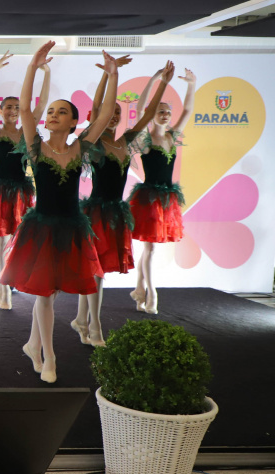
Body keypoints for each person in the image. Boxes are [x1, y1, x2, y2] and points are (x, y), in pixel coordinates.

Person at [0, 41, 117, 383]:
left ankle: (32, 344)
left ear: (74, 122)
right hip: (40, 228)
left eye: (61, 112)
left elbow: (106, 114)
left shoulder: (80, 147)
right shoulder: (35, 147)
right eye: (50, 111)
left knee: (55, 291)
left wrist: (113, 74)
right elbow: (24, 110)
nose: (52, 116)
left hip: (72, 228)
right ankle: (48, 356)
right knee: (46, 293)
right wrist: (32, 67)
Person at [71, 60, 174, 346]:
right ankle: (95, 328)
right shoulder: (92, 142)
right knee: (96, 271)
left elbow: (149, 114)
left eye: (117, 112)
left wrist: (163, 83)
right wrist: (107, 75)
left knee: (98, 271)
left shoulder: (127, 141)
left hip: (116, 214)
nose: (113, 116)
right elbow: (97, 107)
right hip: (94, 213)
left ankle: (82, 319)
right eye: (109, 112)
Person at [0, 53, 50, 309]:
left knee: (15, 239)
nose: (14, 111)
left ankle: (2, 282)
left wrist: (46, 73)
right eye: (9, 107)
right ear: (1, 110)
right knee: (1, 241)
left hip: (21, 191)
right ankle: (2, 287)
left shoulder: (27, 128)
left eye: (17, 107)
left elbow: (39, 105)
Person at [128, 66, 196, 315]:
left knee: (150, 248)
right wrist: (156, 79)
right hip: (148, 200)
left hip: (167, 199)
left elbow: (188, 110)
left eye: (167, 112)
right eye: (160, 111)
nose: (165, 115)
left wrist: (191, 84)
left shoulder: (171, 137)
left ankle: (138, 288)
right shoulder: (146, 139)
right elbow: (140, 108)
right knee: (150, 248)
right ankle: (151, 293)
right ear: (152, 114)